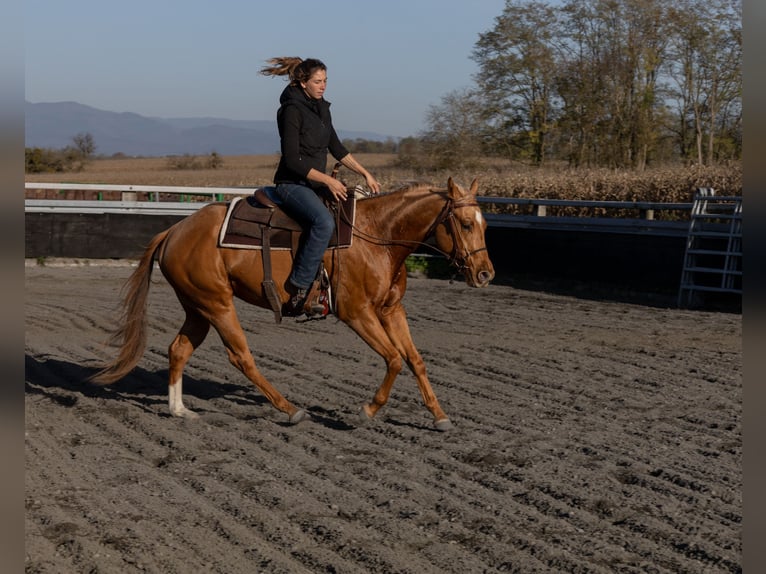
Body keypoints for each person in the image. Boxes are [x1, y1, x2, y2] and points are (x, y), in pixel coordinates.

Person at [259, 57, 381, 316]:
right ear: (303, 83)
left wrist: (365, 173)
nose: (323, 86)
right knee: (324, 222)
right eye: (317, 81)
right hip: (292, 184)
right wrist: (328, 180)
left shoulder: (322, 109)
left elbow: (336, 148)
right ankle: (300, 287)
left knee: (349, 212)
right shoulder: (291, 110)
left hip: (314, 184)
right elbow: (292, 160)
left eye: (325, 81)